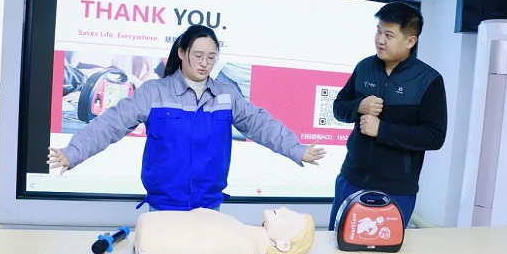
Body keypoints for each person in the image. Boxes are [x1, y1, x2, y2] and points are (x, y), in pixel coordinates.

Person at [48, 24, 325, 211]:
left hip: (209, 206)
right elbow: (111, 123)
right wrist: (74, 152)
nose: (205, 63)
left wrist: (296, 149)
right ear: (182, 53)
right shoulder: (154, 92)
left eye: (211, 57)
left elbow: (261, 124)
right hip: (163, 207)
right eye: (199, 55)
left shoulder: (226, 95)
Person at [329, 1, 447, 230]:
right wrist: (359, 106)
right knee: (339, 241)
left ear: (410, 41)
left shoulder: (428, 80)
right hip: (352, 178)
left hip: (397, 188)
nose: (380, 40)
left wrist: (381, 130)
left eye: (389, 35)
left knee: (386, 248)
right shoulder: (364, 67)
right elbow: (338, 108)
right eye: (378, 31)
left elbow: (434, 136)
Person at [132, 205, 315, 254]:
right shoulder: (239, 230)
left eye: (291, 217)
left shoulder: (243, 251)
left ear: (284, 245)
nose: (284, 209)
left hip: (150, 240)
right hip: (150, 230)